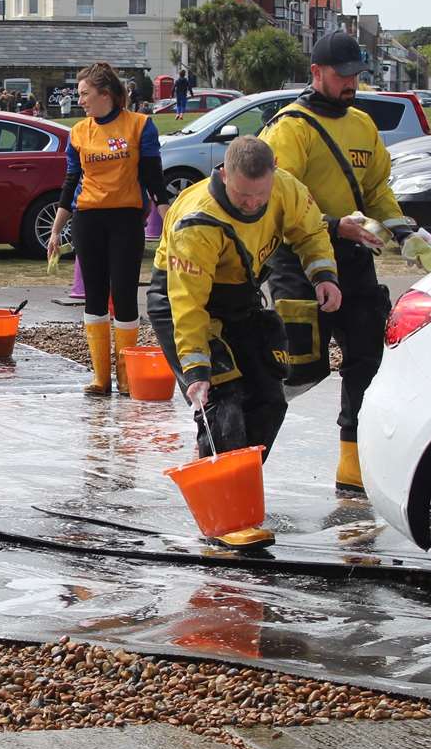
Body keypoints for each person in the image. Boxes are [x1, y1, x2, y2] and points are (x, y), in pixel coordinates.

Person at [259, 31, 423, 497]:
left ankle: (352, 470)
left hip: (355, 259)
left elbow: (375, 192)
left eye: (356, 75)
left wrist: (402, 228)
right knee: (297, 368)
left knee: (366, 362)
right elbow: (279, 198)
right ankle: (241, 455)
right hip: (300, 260)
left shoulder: (362, 126)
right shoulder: (290, 128)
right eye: (342, 75)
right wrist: (333, 226)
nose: (351, 83)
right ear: (316, 72)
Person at [148, 136, 340, 467]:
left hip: (239, 296)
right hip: (182, 299)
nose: (251, 204)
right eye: (242, 195)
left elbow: (310, 232)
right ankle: (219, 493)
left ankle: (242, 479)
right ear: (224, 175)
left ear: (274, 174)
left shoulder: (286, 188)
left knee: (269, 400)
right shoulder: (197, 220)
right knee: (223, 403)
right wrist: (196, 369)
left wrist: (323, 275)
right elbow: (188, 302)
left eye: (259, 195)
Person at [47, 63, 170, 396]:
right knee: (95, 297)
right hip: (88, 220)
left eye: (85, 93)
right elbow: (71, 182)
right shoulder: (78, 132)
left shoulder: (140, 126)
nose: (80, 100)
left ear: (106, 94)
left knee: (126, 296)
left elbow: (153, 177)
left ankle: (127, 377)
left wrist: (168, 219)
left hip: (126, 220)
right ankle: (101, 378)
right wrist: (57, 229)